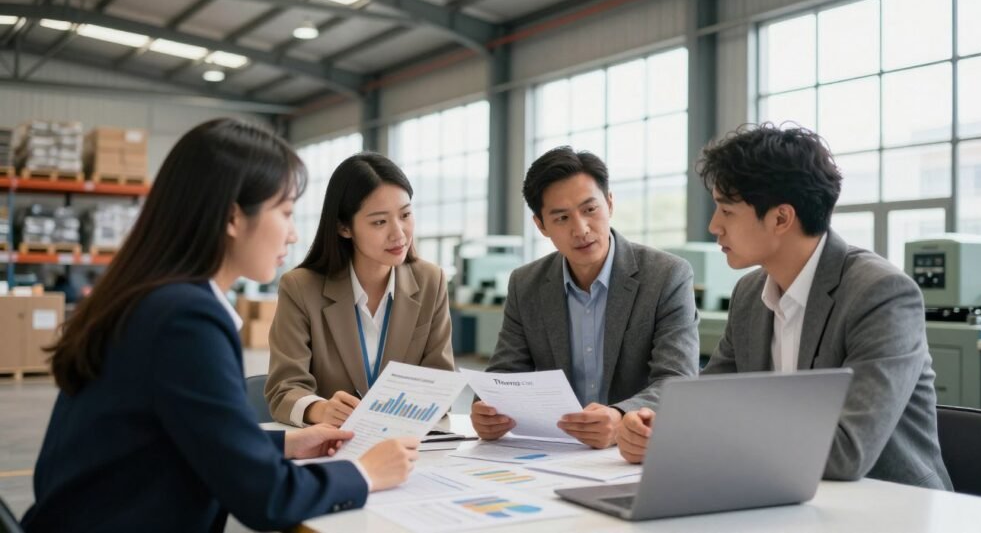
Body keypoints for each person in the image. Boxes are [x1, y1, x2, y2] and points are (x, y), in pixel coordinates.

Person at [22, 120, 419, 533]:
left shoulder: (149, 298)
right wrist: (366, 473)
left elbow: (177, 438)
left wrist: (286, 444)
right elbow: (266, 498)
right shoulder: (186, 320)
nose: (293, 233)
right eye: (284, 212)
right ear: (233, 217)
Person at [616, 124, 952, 490]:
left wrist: (704, 433)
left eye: (726, 210)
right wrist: (656, 427)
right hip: (781, 491)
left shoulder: (881, 293)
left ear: (780, 218)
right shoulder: (749, 293)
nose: (714, 226)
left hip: (891, 505)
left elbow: (847, 452)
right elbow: (706, 405)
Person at [472, 146, 700, 449]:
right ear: (541, 225)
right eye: (562, 217)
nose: (580, 229)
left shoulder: (666, 276)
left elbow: (677, 380)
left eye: (590, 210)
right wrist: (487, 410)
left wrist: (620, 416)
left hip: (635, 451)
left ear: (609, 203)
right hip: (557, 449)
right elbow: (505, 373)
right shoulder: (526, 284)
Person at [266, 152, 454, 427]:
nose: (398, 233)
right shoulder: (301, 287)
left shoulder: (430, 281)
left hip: (407, 444)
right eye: (379, 221)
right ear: (344, 227)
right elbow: (284, 389)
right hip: (331, 444)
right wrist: (320, 409)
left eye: (405, 215)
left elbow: (441, 384)